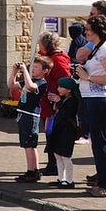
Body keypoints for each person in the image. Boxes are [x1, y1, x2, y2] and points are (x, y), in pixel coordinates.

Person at [74, 14, 106, 197]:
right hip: (94, 98)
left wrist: (88, 77)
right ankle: (105, 181)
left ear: (98, 31)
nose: (85, 31)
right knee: (99, 142)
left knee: (101, 143)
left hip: (101, 99)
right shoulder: (98, 48)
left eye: (88, 29)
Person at [9, 57, 51, 183]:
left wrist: (25, 70)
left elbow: (31, 87)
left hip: (31, 115)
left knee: (30, 145)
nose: (33, 69)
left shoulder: (42, 83)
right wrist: (14, 72)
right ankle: (33, 170)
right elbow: (11, 85)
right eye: (32, 67)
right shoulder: (29, 79)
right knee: (27, 145)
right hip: (23, 114)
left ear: (45, 71)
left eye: (36, 67)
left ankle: (32, 171)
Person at [38, 31, 71, 176]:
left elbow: (65, 80)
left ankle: (54, 166)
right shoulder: (51, 57)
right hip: (48, 102)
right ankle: (52, 164)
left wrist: (58, 97)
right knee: (50, 134)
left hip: (54, 104)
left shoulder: (57, 60)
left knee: (53, 134)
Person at [47, 77, 81, 188]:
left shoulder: (73, 101)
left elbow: (67, 114)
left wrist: (59, 102)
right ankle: (61, 178)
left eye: (61, 87)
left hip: (68, 132)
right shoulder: (63, 99)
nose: (58, 88)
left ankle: (69, 181)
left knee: (66, 156)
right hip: (59, 130)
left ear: (69, 89)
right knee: (57, 155)